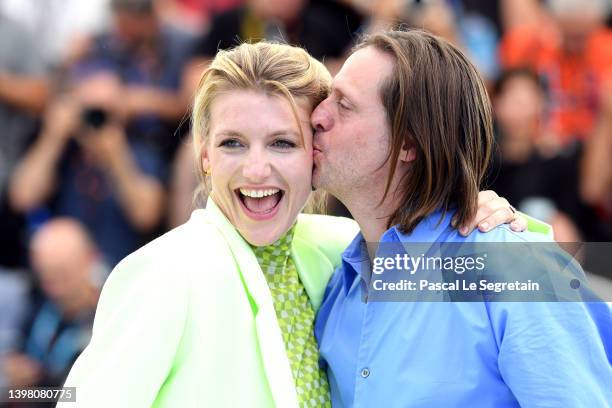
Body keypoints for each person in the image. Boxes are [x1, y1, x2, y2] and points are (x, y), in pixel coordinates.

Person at [60, 41, 528, 407]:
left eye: (283, 143)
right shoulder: (163, 273)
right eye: (232, 144)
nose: (256, 170)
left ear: (315, 153)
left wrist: (477, 207)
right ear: (204, 155)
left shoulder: (343, 250)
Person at [313, 30, 611, 407]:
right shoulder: (339, 283)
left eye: (344, 105)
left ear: (408, 143)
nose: (317, 116)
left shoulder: (517, 272)